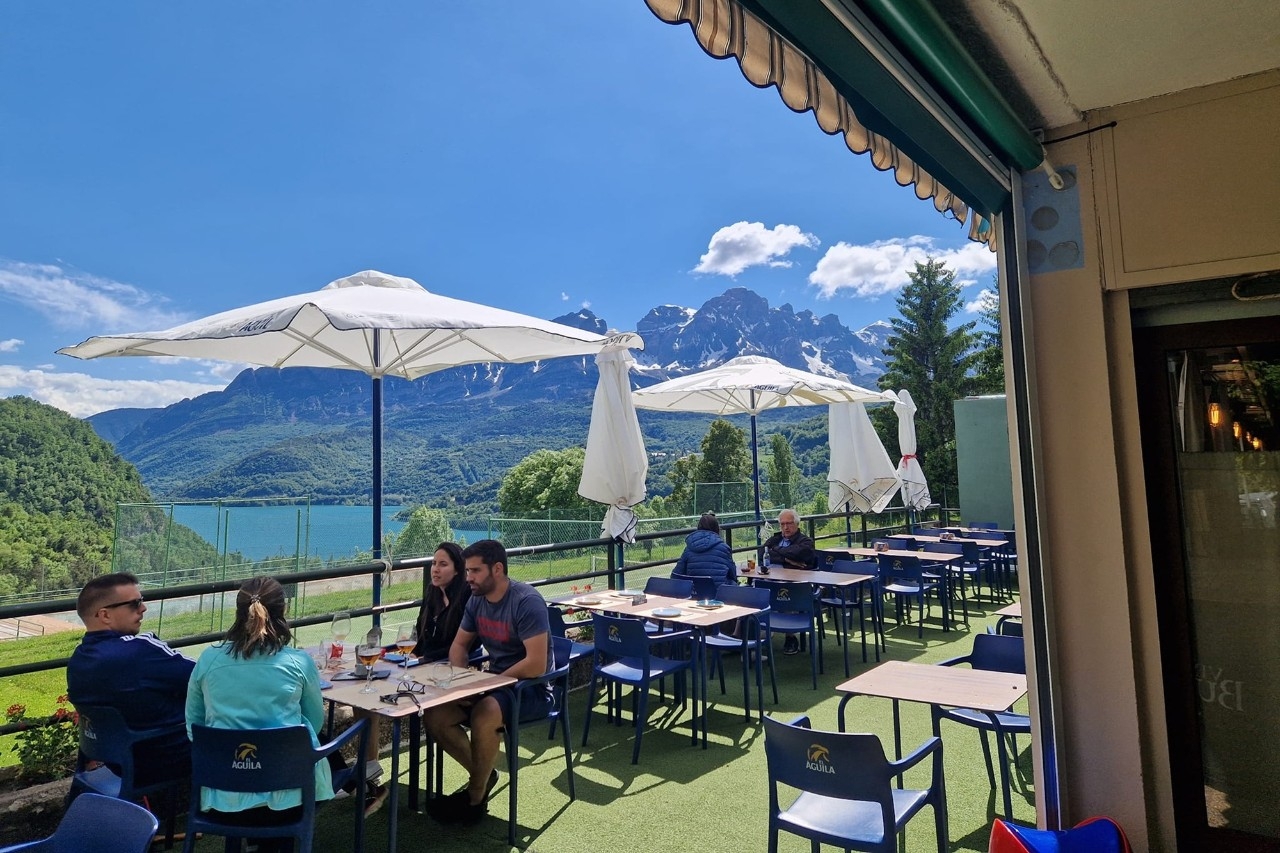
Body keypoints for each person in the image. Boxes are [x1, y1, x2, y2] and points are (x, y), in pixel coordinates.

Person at [184, 577, 380, 848]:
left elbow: (193, 726)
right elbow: (314, 723)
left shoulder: (208, 659)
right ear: (283, 611)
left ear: (238, 612)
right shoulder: (298, 662)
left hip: (223, 798)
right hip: (290, 799)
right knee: (306, 756)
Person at [423, 539, 552, 826]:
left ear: (497, 569)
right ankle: (484, 774)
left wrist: (489, 685)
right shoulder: (476, 600)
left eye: (475, 571)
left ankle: (474, 797)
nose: (468, 577)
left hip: (532, 689)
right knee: (435, 714)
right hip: (493, 683)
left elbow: (536, 664)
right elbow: (459, 646)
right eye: (467, 570)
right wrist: (460, 682)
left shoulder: (526, 601)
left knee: (485, 712)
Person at [66, 572, 194, 790]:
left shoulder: (78, 660)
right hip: (168, 760)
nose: (143, 608)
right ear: (105, 615)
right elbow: (206, 677)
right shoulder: (139, 652)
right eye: (135, 603)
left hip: (118, 763)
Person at [762, 509, 815, 655]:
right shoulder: (775, 539)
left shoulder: (805, 541)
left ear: (797, 524)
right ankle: (754, 637)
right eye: (782, 524)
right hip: (769, 581)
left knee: (787, 593)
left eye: (789, 524)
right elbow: (762, 553)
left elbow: (799, 553)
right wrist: (787, 559)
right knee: (752, 592)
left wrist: (775, 551)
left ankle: (791, 637)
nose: (785, 527)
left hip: (794, 585)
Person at [413, 542, 475, 661]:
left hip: (448, 663)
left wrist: (426, 658)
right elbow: (420, 631)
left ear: (457, 569)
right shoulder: (432, 592)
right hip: (423, 661)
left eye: (443, 564)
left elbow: (467, 644)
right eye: (434, 563)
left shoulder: (467, 595)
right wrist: (414, 654)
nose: (435, 569)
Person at [672, 511, 738, 585]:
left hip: (696, 590)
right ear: (717, 528)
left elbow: (676, 575)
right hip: (720, 590)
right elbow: (733, 574)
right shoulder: (724, 548)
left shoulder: (689, 548)